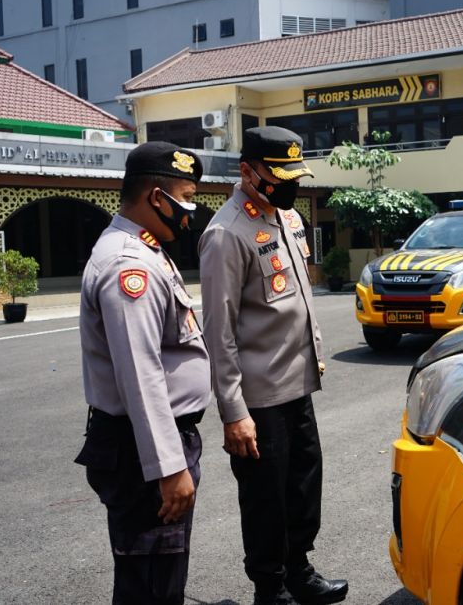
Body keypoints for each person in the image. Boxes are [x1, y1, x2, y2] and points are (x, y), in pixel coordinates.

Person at [198, 126, 348, 605]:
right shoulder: (226, 234)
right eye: (278, 175)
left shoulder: (288, 218)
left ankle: (299, 569)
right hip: (257, 398)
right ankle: (271, 587)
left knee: (304, 484)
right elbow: (218, 333)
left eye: (294, 174)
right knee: (265, 499)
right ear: (247, 171)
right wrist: (232, 411)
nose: (290, 185)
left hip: (297, 384)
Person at [75, 141, 211, 604]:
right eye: (186, 199)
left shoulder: (144, 248)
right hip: (144, 452)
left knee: (157, 578)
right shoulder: (129, 265)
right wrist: (168, 467)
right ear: (158, 198)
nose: (191, 213)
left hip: (148, 445)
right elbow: (141, 373)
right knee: (151, 585)